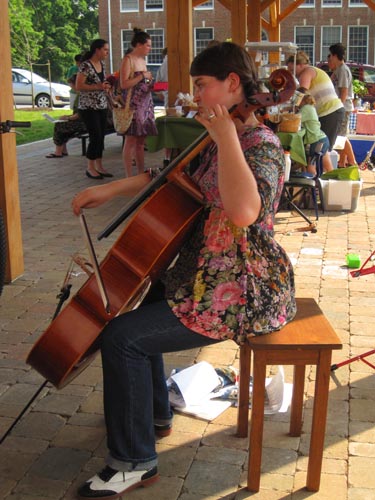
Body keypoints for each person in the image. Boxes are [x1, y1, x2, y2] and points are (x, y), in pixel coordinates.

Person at [71, 42, 296, 499]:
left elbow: (245, 211)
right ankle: (154, 414)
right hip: (200, 276)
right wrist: (110, 190)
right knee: (140, 313)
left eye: (201, 85)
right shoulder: (216, 138)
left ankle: (134, 461)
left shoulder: (261, 146)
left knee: (123, 338)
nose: (194, 95)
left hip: (241, 289)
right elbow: (169, 174)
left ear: (233, 84)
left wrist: (227, 140)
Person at [287, 51, 344, 150]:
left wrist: (291, 108)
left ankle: (321, 165)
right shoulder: (312, 70)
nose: (292, 73)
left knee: (322, 149)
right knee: (322, 148)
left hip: (330, 112)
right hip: (329, 112)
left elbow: (302, 92)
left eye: (292, 70)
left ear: (300, 65)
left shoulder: (307, 72)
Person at [120, 28, 157, 177]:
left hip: (145, 103)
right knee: (130, 141)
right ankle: (129, 176)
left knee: (141, 142)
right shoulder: (128, 60)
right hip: (133, 105)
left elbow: (143, 82)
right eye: (148, 45)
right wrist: (142, 76)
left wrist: (151, 84)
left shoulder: (142, 61)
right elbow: (124, 84)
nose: (150, 48)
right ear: (139, 45)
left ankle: (141, 173)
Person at [76, 39, 113, 180]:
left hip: (102, 105)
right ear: (97, 50)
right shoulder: (85, 66)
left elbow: (101, 83)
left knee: (101, 136)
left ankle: (99, 165)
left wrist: (106, 86)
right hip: (88, 107)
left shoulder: (102, 64)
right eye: (105, 50)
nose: (107, 53)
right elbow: (79, 86)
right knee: (95, 135)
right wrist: (97, 87)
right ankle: (90, 167)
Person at [327, 43, 357, 167]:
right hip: (342, 107)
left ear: (335, 55)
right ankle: (342, 163)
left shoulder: (343, 70)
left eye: (330, 56)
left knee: (341, 136)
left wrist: (338, 107)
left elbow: (344, 91)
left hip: (343, 108)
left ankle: (352, 162)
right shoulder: (338, 70)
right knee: (341, 135)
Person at [298, 93, 333, 175]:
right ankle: (329, 185)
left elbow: (295, 119)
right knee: (329, 169)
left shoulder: (305, 108)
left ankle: (315, 185)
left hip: (317, 141)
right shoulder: (311, 107)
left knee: (311, 167)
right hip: (322, 138)